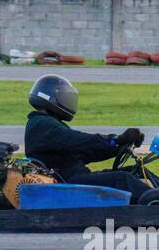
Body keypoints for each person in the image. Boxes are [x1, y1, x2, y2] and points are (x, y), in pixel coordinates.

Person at [24, 74, 151, 202]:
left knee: (137, 171)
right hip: (67, 184)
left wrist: (118, 146)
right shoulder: (41, 124)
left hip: (73, 179)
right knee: (123, 179)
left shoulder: (50, 124)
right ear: (49, 97)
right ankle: (158, 202)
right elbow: (82, 142)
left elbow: (87, 153)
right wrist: (115, 140)